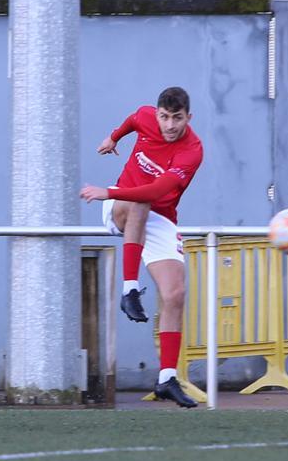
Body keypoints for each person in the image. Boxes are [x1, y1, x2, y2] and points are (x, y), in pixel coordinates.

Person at [80, 86, 203, 409]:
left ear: (188, 117)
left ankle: (166, 379)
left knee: (175, 294)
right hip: (123, 204)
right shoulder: (146, 116)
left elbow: (162, 187)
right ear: (158, 113)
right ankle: (130, 289)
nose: (170, 125)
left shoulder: (193, 150)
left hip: (157, 214)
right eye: (165, 117)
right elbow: (134, 119)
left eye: (177, 118)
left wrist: (103, 191)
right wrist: (113, 138)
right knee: (141, 200)